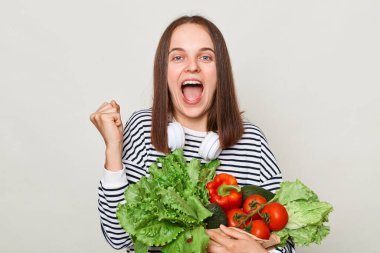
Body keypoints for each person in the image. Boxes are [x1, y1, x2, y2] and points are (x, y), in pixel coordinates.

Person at [90, 15, 295, 253]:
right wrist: (113, 148)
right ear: (164, 72)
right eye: (178, 57)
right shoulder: (141, 127)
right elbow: (120, 238)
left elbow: (285, 240)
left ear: (220, 73)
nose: (192, 66)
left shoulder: (252, 141)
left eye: (206, 57)